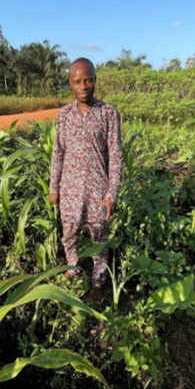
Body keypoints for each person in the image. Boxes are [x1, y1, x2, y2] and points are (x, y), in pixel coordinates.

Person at [49, 57, 123, 302]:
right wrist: (54, 187)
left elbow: (115, 156)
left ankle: (98, 283)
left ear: (95, 80)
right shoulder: (64, 115)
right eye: (77, 81)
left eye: (88, 80)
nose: (83, 86)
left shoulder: (108, 113)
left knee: (99, 237)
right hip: (69, 190)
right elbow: (58, 151)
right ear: (70, 84)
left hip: (98, 192)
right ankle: (72, 269)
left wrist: (111, 195)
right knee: (69, 233)